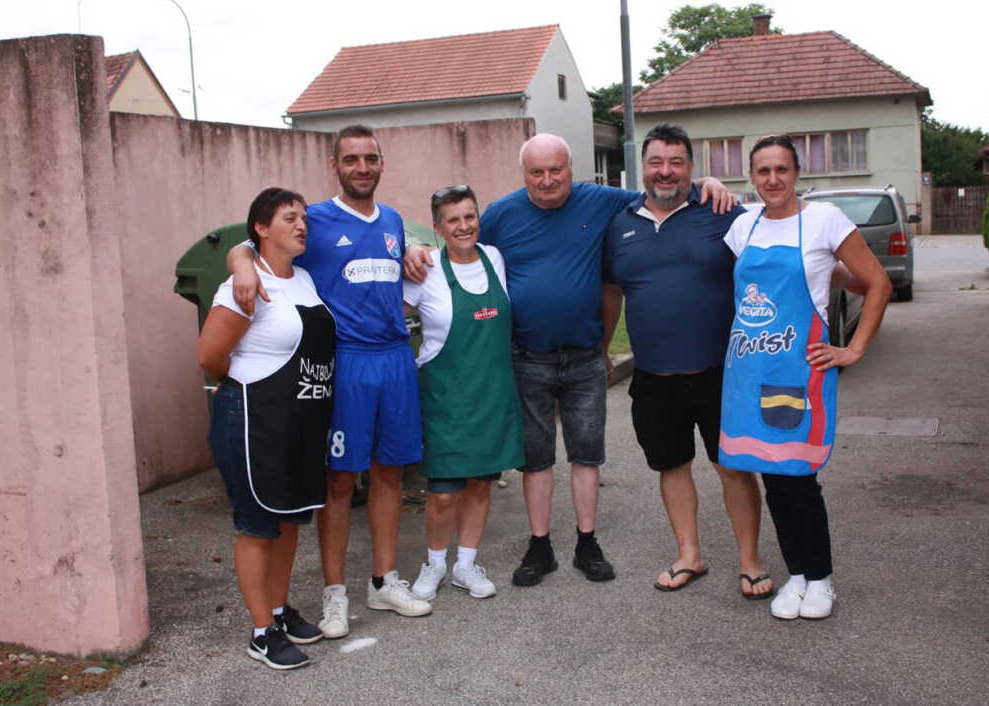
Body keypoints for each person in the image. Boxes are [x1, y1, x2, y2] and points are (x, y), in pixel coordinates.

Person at [405, 134, 737, 588]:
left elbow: (663, 189)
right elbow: (457, 244)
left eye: (556, 170)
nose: (547, 181)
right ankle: (539, 545)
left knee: (586, 454)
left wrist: (707, 183)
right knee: (536, 459)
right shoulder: (500, 214)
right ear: (523, 175)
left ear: (571, 168)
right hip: (526, 356)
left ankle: (587, 542)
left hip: (584, 355)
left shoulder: (600, 200)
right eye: (536, 173)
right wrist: (415, 251)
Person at [227, 125, 431, 638]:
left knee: (390, 474)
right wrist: (242, 266)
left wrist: (415, 248)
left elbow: (410, 250)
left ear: (381, 164)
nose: (361, 167)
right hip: (345, 361)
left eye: (370, 158)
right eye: (351, 159)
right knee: (340, 482)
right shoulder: (313, 220)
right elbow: (250, 240)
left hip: (394, 359)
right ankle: (334, 593)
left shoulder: (393, 220)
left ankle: (383, 581)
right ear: (334, 165)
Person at [720, 134, 892, 620]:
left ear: (797, 174)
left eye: (782, 170)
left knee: (798, 478)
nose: (773, 179)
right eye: (763, 171)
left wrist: (854, 349)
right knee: (772, 477)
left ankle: (820, 579)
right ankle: (795, 576)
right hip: (749, 372)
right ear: (751, 178)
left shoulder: (824, 220)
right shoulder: (743, 227)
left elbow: (876, 282)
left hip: (799, 370)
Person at [602, 123, 773, 598]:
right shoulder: (621, 223)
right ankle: (689, 555)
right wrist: (602, 348)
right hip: (654, 377)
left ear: (692, 169)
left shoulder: (723, 212)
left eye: (677, 162)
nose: (665, 171)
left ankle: (751, 561)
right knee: (671, 466)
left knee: (734, 468)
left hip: (719, 374)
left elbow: (770, 257)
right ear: (643, 167)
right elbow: (612, 290)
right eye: (656, 161)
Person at [199, 187, 334, 669]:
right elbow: (209, 357)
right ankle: (260, 632)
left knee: (289, 518)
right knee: (258, 527)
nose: (301, 225)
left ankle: (277, 610)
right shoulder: (243, 282)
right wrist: (242, 385)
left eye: (303, 218)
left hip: (297, 422)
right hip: (251, 417)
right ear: (260, 227)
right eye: (288, 218)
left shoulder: (303, 280)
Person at [402, 185, 524, 601]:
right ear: (437, 227)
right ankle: (434, 564)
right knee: (442, 494)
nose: (464, 226)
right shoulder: (424, 269)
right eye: (453, 219)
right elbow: (385, 314)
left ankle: (466, 565)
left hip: (492, 393)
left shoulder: (494, 258)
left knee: (480, 486)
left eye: (469, 216)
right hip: (446, 399)